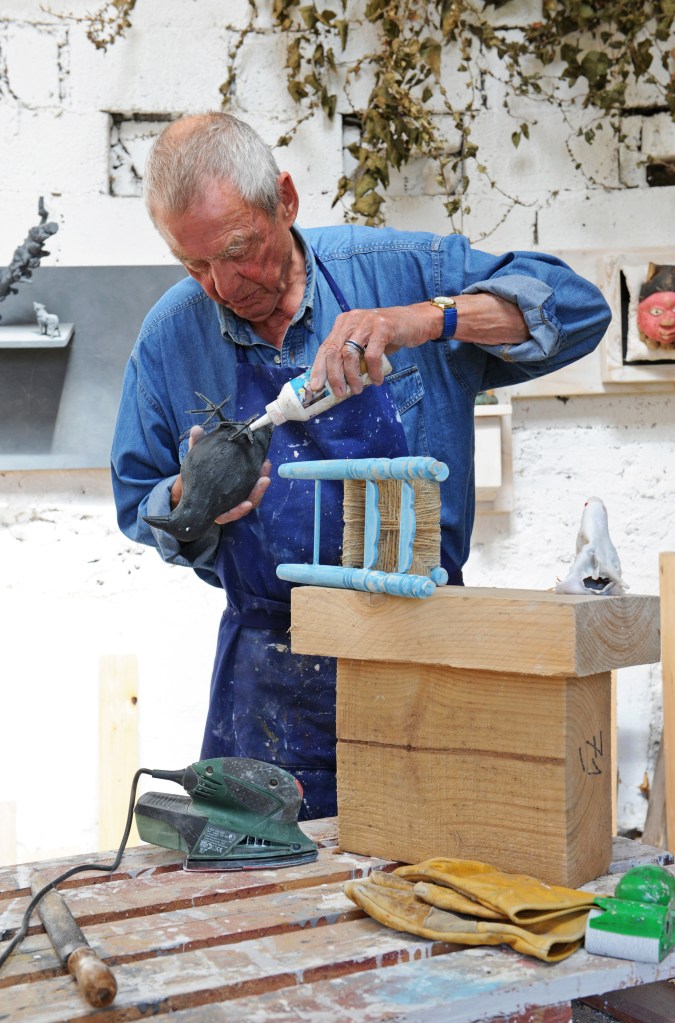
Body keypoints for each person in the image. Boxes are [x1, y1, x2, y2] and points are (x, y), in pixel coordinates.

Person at [111, 112, 611, 819]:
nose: (223, 285)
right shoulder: (171, 335)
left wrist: (424, 320)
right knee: (273, 908)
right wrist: (193, 499)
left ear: (284, 199)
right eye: (195, 265)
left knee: (434, 879)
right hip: (270, 679)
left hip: (426, 652)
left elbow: (579, 310)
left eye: (238, 249)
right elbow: (138, 498)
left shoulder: (401, 267)